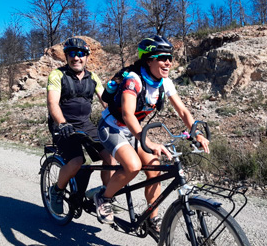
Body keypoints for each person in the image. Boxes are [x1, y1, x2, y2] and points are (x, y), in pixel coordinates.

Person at [95, 35, 210, 226]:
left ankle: (152, 218)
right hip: (112, 128)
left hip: (134, 131)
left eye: (170, 58)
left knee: (154, 168)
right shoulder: (133, 81)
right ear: (148, 60)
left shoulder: (165, 82)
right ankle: (104, 197)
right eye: (162, 58)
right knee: (132, 166)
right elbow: (127, 115)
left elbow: (182, 110)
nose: (168, 62)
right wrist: (146, 141)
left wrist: (195, 132)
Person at [45, 37, 114, 214]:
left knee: (111, 158)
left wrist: (120, 120)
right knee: (76, 161)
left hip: (86, 124)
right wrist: (62, 123)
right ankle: (57, 190)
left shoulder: (93, 78)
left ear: (86, 57)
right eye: (72, 54)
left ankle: (106, 196)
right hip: (63, 125)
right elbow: (53, 103)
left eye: (81, 54)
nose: (77, 58)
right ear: (66, 57)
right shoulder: (57, 75)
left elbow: (105, 102)